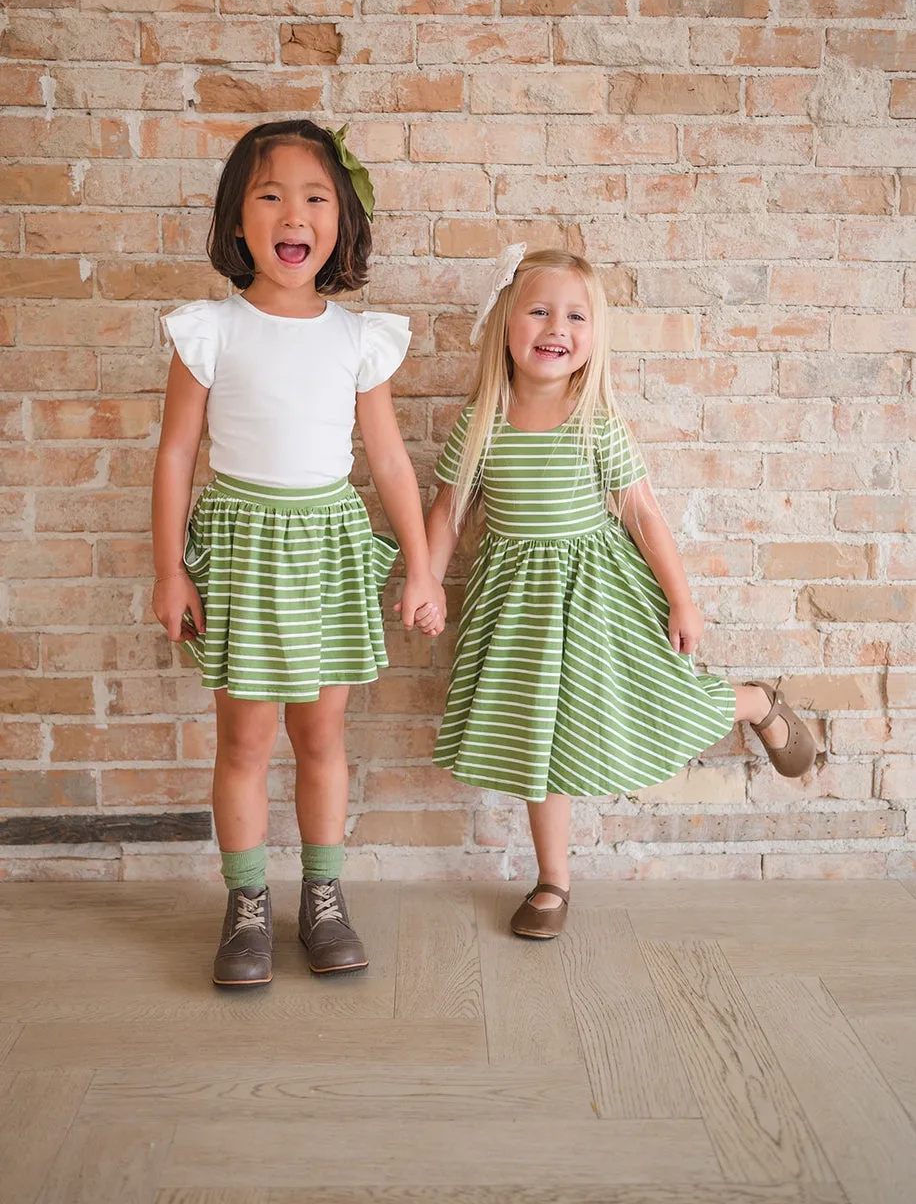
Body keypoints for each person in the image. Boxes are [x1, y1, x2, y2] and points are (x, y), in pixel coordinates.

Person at [425, 246, 824, 940]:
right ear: (506, 324)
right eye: (540, 310)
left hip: (598, 599)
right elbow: (448, 513)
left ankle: (754, 701)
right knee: (536, 741)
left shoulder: (593, 420)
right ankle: (553, 880)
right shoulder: (479, 423)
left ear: (593, 336)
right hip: (518, 609)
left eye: (576, 315)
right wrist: (426, 580)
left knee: (654, 704)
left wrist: (682, 597)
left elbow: (641, 513)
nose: (557, 326)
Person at [152, 119, 445, 987]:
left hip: (327, 553)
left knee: (321, 736)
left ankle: (323, 895)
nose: (293, 212)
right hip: (242, 552)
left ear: (341, 223)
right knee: (244, 742)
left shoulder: (358, 339)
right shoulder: (210, 330)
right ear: (237, 219)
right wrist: (169, 569)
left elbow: (388, 459)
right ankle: (246, 906)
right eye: (270, 193)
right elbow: (174, 454)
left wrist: (423, 566)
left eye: (315, 196)